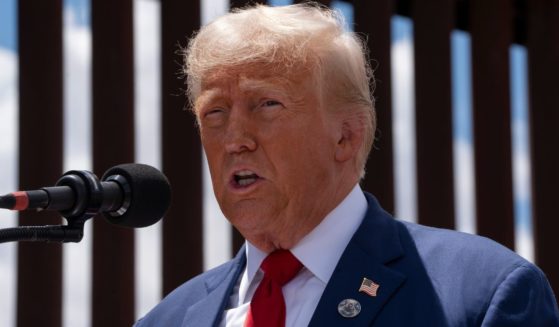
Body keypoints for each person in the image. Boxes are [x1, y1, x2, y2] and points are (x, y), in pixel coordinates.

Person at [136, 3, 559, 326]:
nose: (235, 140)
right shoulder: (166, 319)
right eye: (215, 113)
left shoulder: (483, 292)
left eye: (267, 104)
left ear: (346, 136)